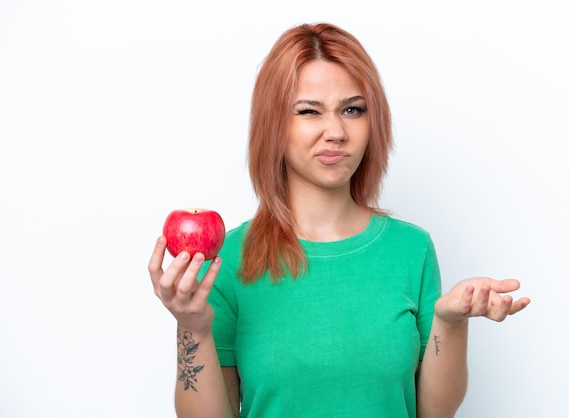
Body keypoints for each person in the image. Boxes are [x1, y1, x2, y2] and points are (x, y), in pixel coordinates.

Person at [148, 22, 531, 418]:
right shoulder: (226, 260)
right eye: (309, 111)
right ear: (274, 124)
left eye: (352, 110)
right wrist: (191, 325)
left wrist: (449, 322)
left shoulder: (411, 250)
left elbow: (434, 412)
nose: (336, 132)